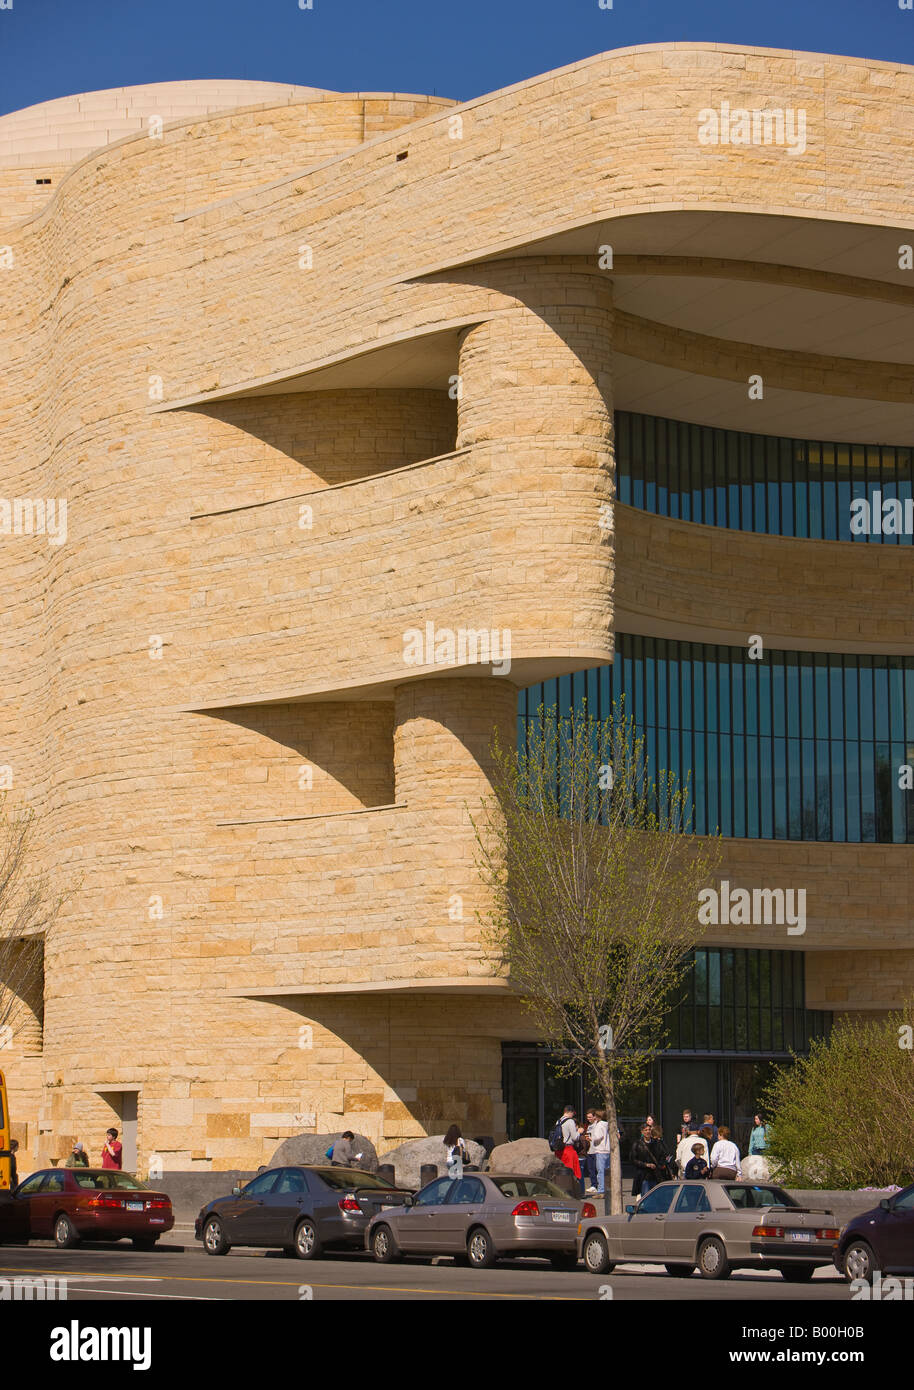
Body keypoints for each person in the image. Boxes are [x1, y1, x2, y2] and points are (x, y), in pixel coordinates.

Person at [553, 1104, 582, 1190]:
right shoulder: (570, 1121)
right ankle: (570, 1190)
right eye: (573, 1113)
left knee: (561, 1172)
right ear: (570, 1112)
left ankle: (561, 1189)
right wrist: (579, 1132)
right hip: (568, 1149)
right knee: (571, 1171)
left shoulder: (558, 1121)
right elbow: (575, 1137)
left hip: (559, 1149)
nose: (573, 1115)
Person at [630, 1122, 660, 1199]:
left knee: (656, 1197)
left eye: (649, 1130)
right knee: (646, 1197)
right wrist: (646, 1165)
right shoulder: (637, 1144)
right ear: (642, 1132)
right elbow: (633, 1159)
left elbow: (662, 1155)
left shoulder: (656, 1142)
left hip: (655, 1174)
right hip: (643, 1175)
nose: (648, 1132)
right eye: (645, 1130)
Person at [588, 1109, 612, 1197]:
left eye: (594, 1116)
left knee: (600, 1171)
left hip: (600, 1149)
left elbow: (598, 1137)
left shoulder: (599, 1125)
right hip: (608, 1149)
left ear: (597, 1117)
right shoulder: (608, 1124)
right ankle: (608, 1189)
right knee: (607, 1171)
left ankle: (601, 1190)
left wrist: (591, 1139)